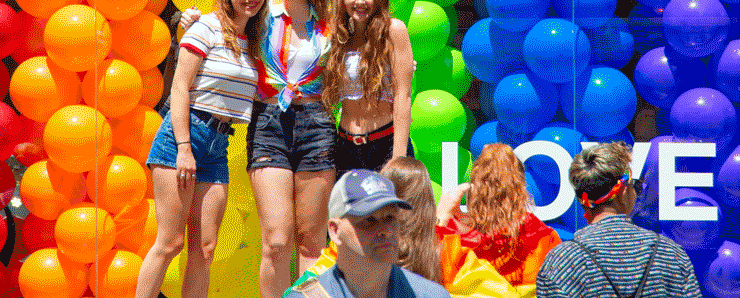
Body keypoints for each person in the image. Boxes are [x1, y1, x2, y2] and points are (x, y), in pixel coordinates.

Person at [181, 0, 337, 298]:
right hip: (268, 121)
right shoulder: (258, 11)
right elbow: (216, 26)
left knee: (311, 242)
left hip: (317, 125)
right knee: (278, 241)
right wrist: (185, 20)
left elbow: (363, 44)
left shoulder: (331, 22)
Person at [134, 0, 269, 298]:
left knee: (205, 249)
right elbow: (179, 88)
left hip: (218, 146)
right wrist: (183, 147)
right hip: (186, 135)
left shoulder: (251, 41)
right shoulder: (206, 27)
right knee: (169, 243)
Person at [536, 142, 702, 297]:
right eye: (634, 186)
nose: (637, 192)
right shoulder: (670, 255)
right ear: (622, 194)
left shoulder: (562, 262)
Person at [283, 156, 442, 297]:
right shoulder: (310, 294)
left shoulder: (432, 294)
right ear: (335, 230)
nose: (385, 230)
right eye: (369, 220)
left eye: (390, 217)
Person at [321, 0, 414, 178]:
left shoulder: (394, 30)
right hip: (345, 148)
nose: (360, 1)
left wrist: (398, 157)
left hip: (385, 144)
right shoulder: (337, 36)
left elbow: (403, 96)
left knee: (391, 212)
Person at [435, 143, 561, 296]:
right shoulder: (541, 235)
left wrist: (443, 217)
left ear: (475, 187)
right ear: (519, 186)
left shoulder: (454, 240)